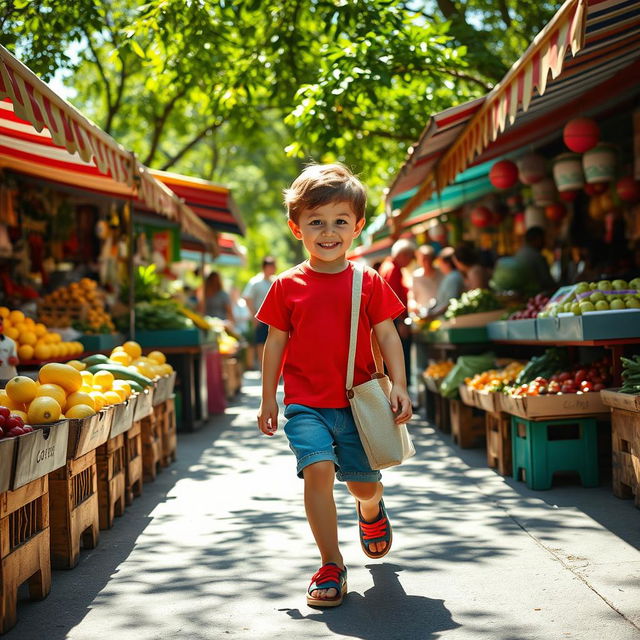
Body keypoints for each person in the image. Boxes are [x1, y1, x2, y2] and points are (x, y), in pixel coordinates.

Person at [256, 163, 411, 609]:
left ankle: (371, 509)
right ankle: (330, 563)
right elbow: (275, 342)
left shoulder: (368, 281)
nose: (329, 231)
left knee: (363, 485)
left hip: (358, 403)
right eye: (316, 222)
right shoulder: (286, 286)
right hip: (306, 404)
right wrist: (269, 397)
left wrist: (398, 385)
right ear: (296, 228)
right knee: (317, 471)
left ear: (357, 226)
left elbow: (387, 335)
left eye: (340, 221)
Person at [378, 238, 416, 386]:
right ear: (404, 255)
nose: (411, 260)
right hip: (395, 321)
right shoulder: (393, 269)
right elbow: (394, 299)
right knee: (401, 356)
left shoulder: (388, 266)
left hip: (391, 320)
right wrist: (401, 322)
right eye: (411, 256)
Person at [243, 256, 277, 368]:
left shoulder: (276, 280)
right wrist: (254, 316)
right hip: (261, 318)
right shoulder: (255, 282)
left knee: (275, 342)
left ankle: (275, 368)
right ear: (264, 267)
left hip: (274, 318)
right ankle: (263, 368)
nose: (272, 268)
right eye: (270, 266)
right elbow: (247, 298)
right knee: (261, 343)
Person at [515, 226, 556, 293]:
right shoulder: (537, 257)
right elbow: (548, 282)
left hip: (523, 295)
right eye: (544, 238)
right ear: (538, 239)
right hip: (537, 295)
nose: (545, 242)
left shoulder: (519, 253)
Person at [428, 246, 465, 318]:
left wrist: (433, 315)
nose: (439, 266)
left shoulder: (453, 277)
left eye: (440, 263)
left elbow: (450, 301)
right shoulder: (450, 276)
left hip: (448, 318)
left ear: (447, 263)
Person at [409, 244, 442, 318]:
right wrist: (414, 306)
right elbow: (411, 298)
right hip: (424, 315)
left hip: (440, 313)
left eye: (429, 259)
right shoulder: (415, 276)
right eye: (424, 259)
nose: (427, 263)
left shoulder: (441, 272)